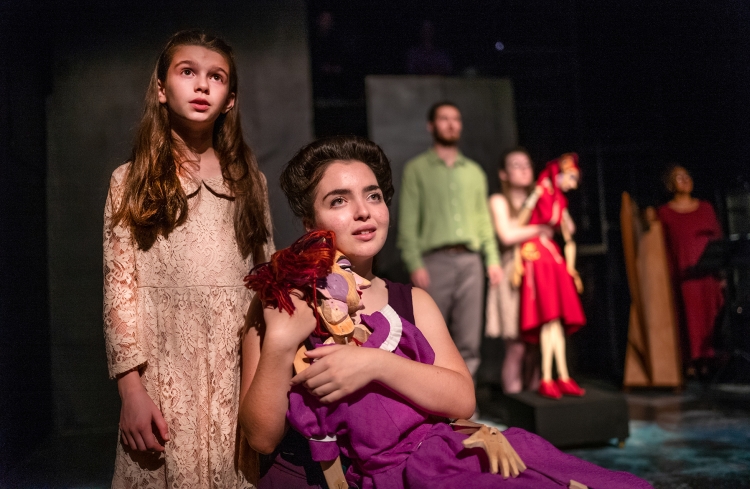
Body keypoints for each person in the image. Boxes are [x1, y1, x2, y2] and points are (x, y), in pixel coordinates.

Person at [239, 136, 652, 489]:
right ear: (309, 221)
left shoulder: (412, 301)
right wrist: (280, 343)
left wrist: (374, 364)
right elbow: (260, 438)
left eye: (373, 195)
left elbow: (461, 399)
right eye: (339, 201)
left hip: (436, 464)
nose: (363, 211)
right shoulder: (283, 298)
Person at [103, 30, 273, 488]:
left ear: (230, 99)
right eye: (187, 72)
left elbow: (267, 281)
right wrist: (131, 391)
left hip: (235, 368)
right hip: (163, 370)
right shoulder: (129, 180)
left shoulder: (249, 182)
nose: (201, 85)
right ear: (161, 88)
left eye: (216, 77)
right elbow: (120, 289)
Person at [398, 101, 502, 378]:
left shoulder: (474, 171)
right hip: (434, 262)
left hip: (470, 262)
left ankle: (466, 399)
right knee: (429, 338)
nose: (451, 124)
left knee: (469, 340)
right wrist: (414, 263)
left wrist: (492, 259)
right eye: (444, 118)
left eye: (456, 119)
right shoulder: (417, 169)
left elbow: (483, 220)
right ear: (431, 126)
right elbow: (407, 222)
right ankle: (434, 400)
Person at [515, 154, 586, 400]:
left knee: (555, 322)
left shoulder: (559, 199)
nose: (573, 184)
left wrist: (572, 268)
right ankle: (548, 377)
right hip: (537, 253)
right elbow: (519, 224)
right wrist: (534, 195)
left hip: (552, 255)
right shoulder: (542, 192)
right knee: (549, 320)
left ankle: (562, 376)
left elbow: (569, 237)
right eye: (571, 177)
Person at [486, 147, 549, 394]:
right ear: (503, 173)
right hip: (513, 275)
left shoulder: (541, 199)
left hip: (539, 274)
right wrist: (539, 229)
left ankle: (535, 403)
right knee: (517, 347)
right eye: (516, 165)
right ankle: (514, 403)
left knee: (536, 346)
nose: (524, 170)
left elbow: (566, 226)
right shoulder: (499, 201)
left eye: (527, 165)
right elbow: (507, 235)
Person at [657, 164, 724, 377]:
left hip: (707, 274)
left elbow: (718, 239)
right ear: (670, 184)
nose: (685, 179)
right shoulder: (665, 213)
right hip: (683, 275)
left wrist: (721, 274)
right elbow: (662, 247)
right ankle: (690, 362)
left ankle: (708, 361)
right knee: (687, 318)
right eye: (679, 177)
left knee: (711, 316)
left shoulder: (706, 208)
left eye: (687, 175)